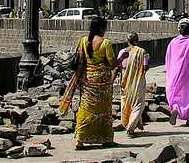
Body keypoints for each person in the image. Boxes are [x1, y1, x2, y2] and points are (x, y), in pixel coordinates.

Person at [60, 16, 116, 150]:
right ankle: (105, 138)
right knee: (104, 110)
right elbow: (112, 63)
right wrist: (122, 58)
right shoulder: (106, 43)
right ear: (102, 29)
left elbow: (79, 60)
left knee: (85, 108)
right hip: (102, 83)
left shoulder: (83, 41)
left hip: (87, 81)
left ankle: (80, 139)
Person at [165, 20, 189, 125]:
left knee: (177, 92)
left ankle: (176, 108)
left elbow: (169, 57)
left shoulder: (172, 42)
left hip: (174, 71)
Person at [117, 32, 150, 137]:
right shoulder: (141, 52)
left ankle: (128, 123)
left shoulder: (122, 52)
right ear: (137, 40)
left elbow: (118, 66)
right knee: (138, 104)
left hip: (125, 81)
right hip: (137, 82)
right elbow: (145, 67)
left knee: (126, 103)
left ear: (127, 41)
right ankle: (131, 127)